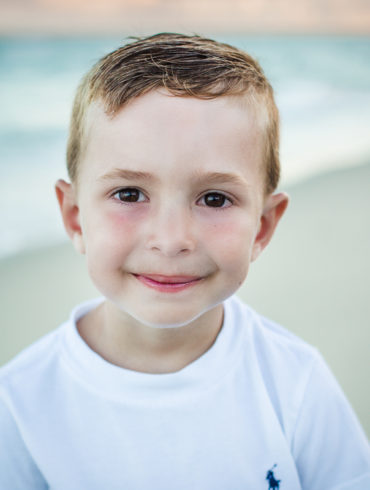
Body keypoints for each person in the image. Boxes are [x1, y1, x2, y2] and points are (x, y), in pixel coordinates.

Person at [0, 33, 369, 490]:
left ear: (263, 226)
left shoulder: (294, 381)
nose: (172, 240)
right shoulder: (20, 402)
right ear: (76, 218)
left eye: (214, 198)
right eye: (129, 194)